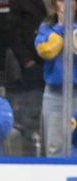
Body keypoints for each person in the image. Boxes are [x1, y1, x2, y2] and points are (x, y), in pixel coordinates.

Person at [35, 0, 77, 156]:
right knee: (55, 145)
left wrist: (70, 27)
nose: (66, 3)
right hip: (55, 94)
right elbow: (47, 51)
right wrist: (62, 27)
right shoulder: (46, 28)